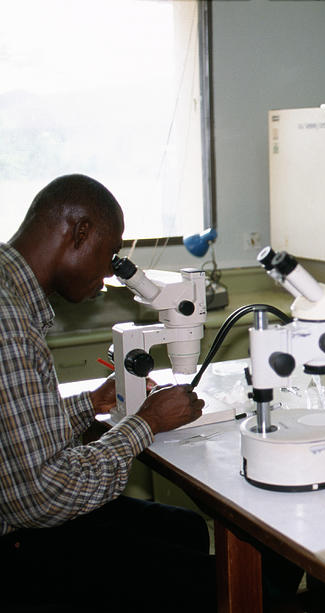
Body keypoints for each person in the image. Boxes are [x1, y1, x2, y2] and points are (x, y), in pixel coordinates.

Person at [0, 174, 215, 612]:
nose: (107, 271)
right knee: (216, 584)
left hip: (18, 504)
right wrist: (147, 423)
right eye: (110, 253)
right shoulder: (9, 320)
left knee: (186, 529)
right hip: (16, 546)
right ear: (79, 232)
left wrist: (90, 405)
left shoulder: (12, 293)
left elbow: (15, 432)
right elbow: (41, 495)